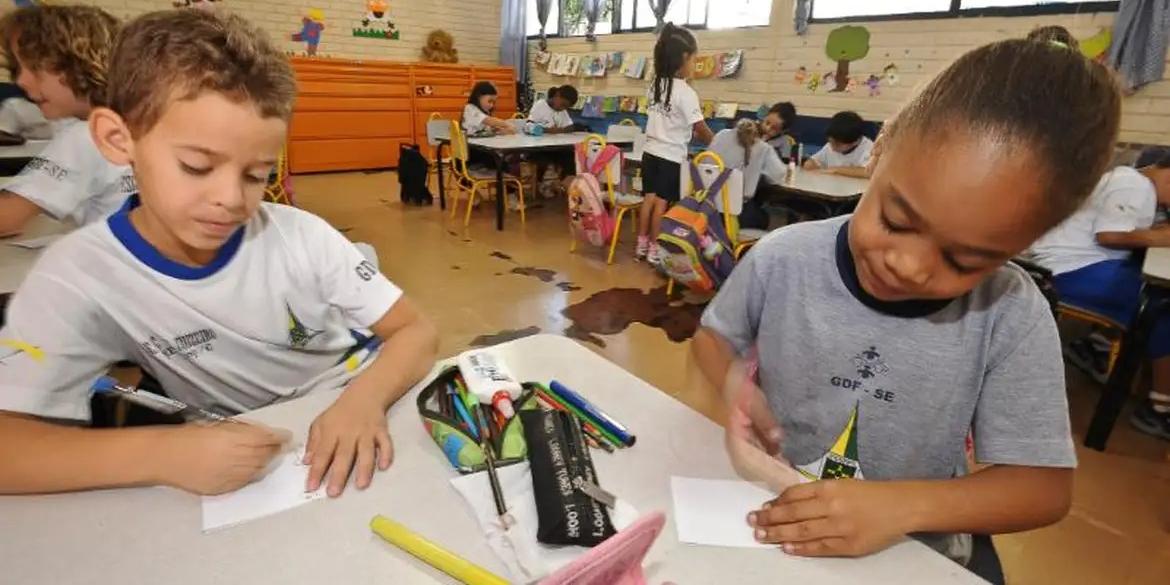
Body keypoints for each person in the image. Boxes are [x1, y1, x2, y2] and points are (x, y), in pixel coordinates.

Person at [692, 39, 1120, 583]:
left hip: (911, 553)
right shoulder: (782, 258)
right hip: (772, 523)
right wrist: (736, 387)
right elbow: (712, 339)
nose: (910, 267)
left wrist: (902, 508)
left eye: (965, 260)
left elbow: (1044, 488)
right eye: (896, 220)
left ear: (1028, 241)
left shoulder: (1010, 313)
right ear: (882, 146)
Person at [0, 9, 439, 498]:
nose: (232, 199)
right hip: (261, 447)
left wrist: (363, 401)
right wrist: (164, 452)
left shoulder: (300, 236)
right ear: (116, 139)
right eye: (196, 166)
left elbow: (415, 330)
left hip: (365, 396)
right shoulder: (77, 276)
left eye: (256, 175)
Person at [1029, 148, 1170, 440]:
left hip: (1070, 265)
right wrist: (1161, 237)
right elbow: (1109, 235)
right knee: (1160, 308)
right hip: (1067, 271)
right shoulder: (1135, 185)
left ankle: (1094, 346)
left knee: (1149, 291)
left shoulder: (1136, 183)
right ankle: (1160, 409)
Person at [0, 5, 136, 238]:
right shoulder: (134, 121)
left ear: (79, 64)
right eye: (17, 69)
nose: (21, 81)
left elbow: (6, 219)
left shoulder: (87, 136)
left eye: (33, 67)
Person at [636, 23, 714, 263]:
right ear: (684, 57)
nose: (695, 65)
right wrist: (717, 144)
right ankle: (657, 250)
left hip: (649, 152)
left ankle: (642, 245)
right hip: (670, 156)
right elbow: (700, 128)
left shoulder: (655, 85)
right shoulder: (686, 93)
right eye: (694, 60)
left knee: (648, 199)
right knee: (662, 203)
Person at [708, 119, 787, 231]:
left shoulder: (721, 135)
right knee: (767, 217)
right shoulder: (763, 148)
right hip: (737, 213)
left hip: (708, 206)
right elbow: (778, 176)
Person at [802, 110, 874, 177]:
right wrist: (810, 164)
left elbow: (868, 172)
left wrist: (835, 170)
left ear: (856, 141)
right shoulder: (831, 145)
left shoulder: (870, 148)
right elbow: (813, 161)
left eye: (837, 145)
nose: (832, 148)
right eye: (830, 142)